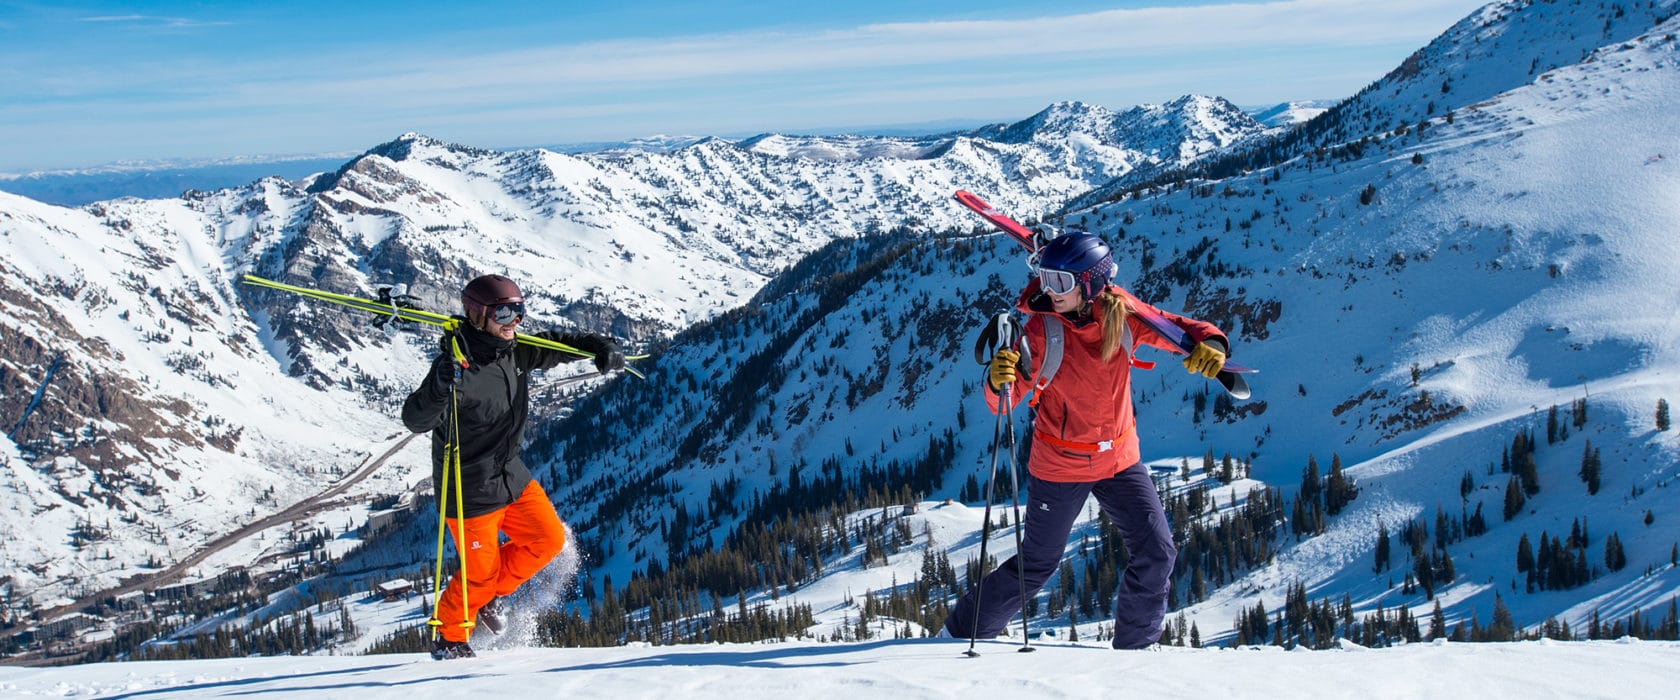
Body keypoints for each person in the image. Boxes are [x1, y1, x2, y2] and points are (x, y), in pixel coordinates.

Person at [941, 231, 1229, 650]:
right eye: (1045, 278)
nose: (1049, 290)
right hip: (1060, 465)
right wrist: (998, 378)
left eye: (1061, 282)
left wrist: (1212, 343)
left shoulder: (1124, 314)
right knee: (1038, 565)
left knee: (1157, 553)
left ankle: (1135, 653)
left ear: (1091, 285)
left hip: (1119, 460)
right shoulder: (1040, 333)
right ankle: (958, 633)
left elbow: (1178, 329)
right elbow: (1004, 403)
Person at [402, 274, 625, 660]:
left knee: (548, 539)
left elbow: (555, 345)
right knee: (479, 575)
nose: (514, 321)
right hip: (468, 488)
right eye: (504, 312)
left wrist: (595, 346)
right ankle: (450, 637)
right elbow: (415, 419)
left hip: (510, 474)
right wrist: (441, 383)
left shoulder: (514, 350)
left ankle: (487, 597)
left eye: (519, 310)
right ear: (477, 315)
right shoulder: (455, 366)